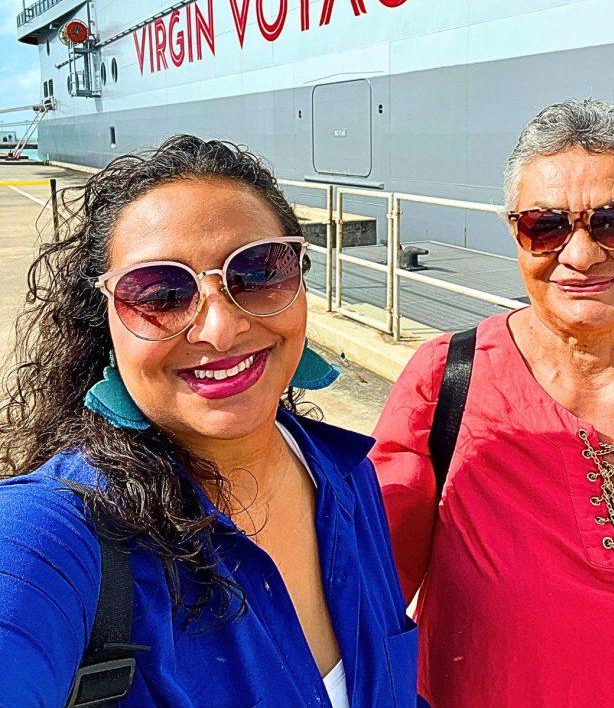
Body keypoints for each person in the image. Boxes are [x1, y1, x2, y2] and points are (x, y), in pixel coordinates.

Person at [371, 99, 614, 707]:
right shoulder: (448, 384)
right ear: (515, 234)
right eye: (546, 225)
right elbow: (361, 609)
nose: (580, 255)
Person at [0, 135, 421, 707]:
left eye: (257, 272)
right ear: (105, 321)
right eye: (159, 293)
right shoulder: (61, 531)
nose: (219, 330)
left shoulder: (349, 477)